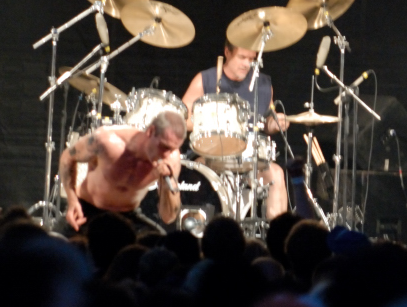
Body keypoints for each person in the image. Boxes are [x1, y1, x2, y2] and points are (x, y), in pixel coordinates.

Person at [181, 41, 289, 218]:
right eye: (242, 57)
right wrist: (213, 123)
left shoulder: (263, 84)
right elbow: (182, 119)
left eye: (251, 59)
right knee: (199, 171)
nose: (247, 64)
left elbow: (266, 121)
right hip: (211, 155)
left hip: (249, 158)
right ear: (227, 52)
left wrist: (274, 123)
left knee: (276, 174)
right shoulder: (206, 79)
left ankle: (278, 232)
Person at [60, 111, 185, 232]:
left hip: (127, 216)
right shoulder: (107, 140)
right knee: (59, 243)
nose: (166, 154)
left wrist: (167, 182)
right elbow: (67, 157)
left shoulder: (171, 159)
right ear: (150, 131)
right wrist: (72, 200)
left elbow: (168, 217)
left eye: (172, 149)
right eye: (164, 147)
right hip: (88, 210)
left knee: (161, 243)